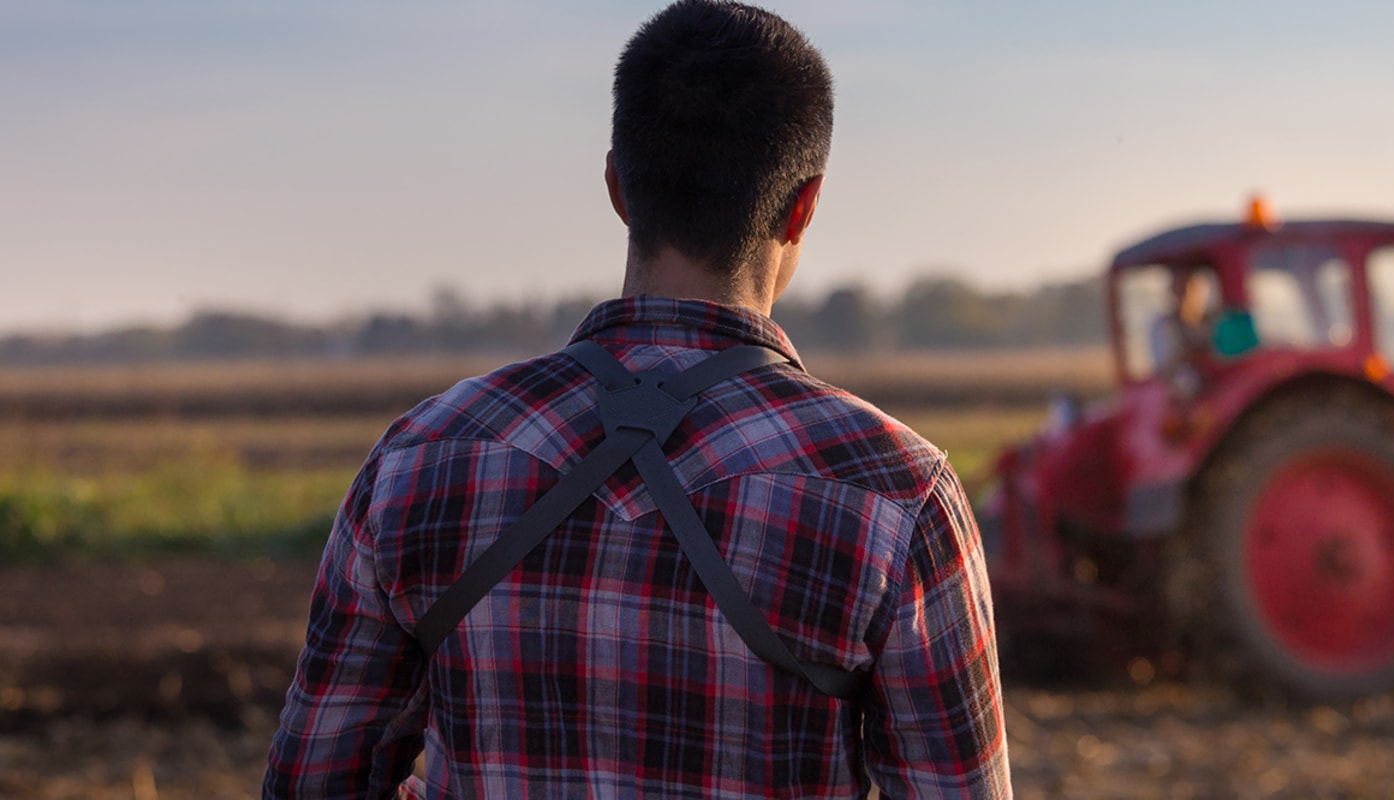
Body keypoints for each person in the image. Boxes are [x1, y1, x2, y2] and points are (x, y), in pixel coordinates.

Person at [262, 2, 1010, 797]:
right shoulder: (897, 492)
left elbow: (312, 779)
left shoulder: (420, 458)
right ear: (805, 206)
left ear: (618, 186)